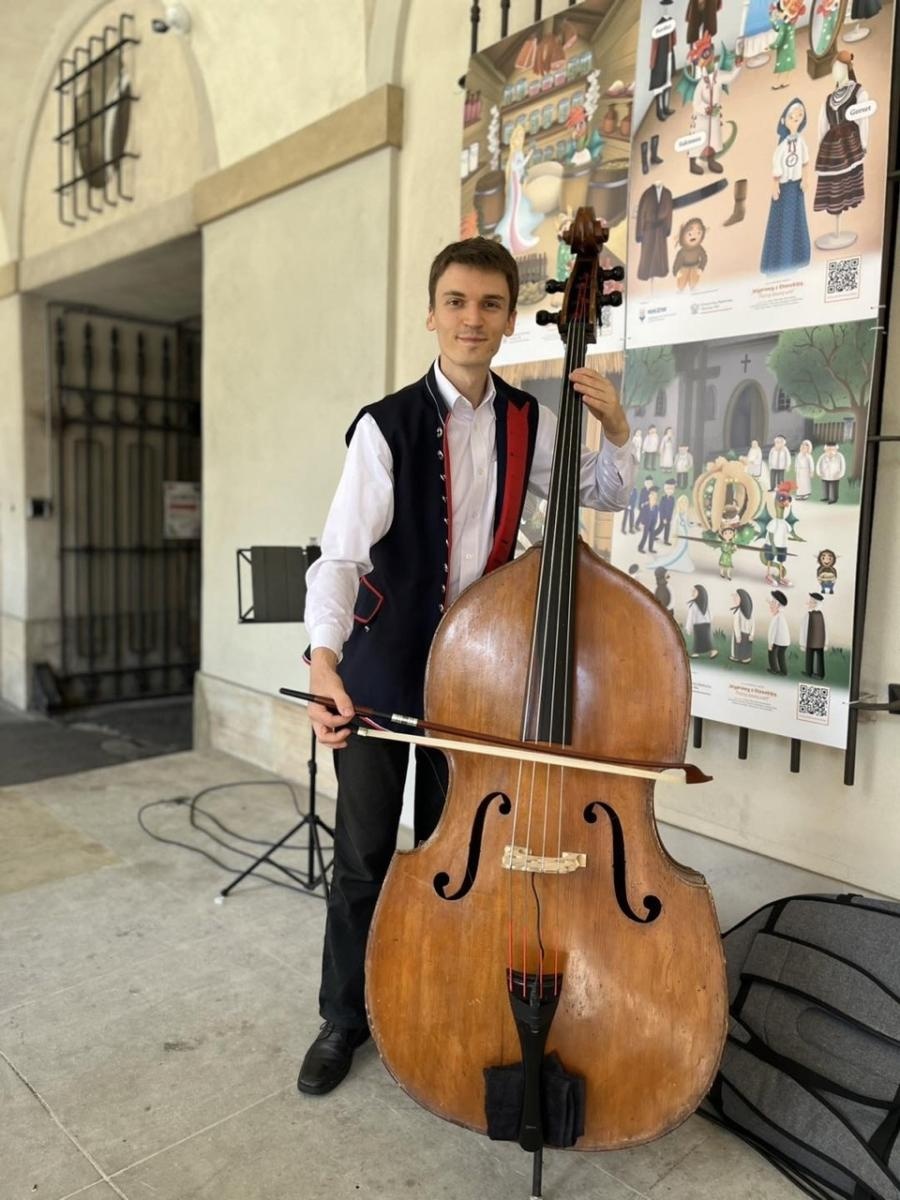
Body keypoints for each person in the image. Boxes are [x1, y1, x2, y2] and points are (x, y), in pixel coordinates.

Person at [298, 237, 633, 1096]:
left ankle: (434, 991)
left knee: (457, 858)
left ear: (511, 319)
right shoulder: (385, 426)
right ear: (432, 312)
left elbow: (600, 494)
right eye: (456, 301)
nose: (471, 319)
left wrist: (619, 429)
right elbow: (340, 557)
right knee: (366, 859)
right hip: (379, 671)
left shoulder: (531, 420)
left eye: (488, 305)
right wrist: (323, 663)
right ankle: (343, 1019)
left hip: (476, 682)